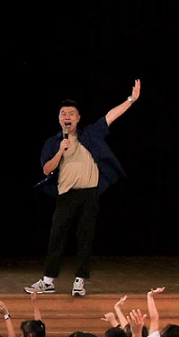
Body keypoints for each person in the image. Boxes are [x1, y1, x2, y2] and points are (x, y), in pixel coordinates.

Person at [26, 80, 140, 297]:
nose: (67, 116)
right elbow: (46, 169)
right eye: (63, 113)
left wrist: (130, 100)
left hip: (89, 193)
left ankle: (79, 281)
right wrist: (60, 151)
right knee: (56, 237)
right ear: (59, 118)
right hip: (66, 195)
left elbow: (111, 116)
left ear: (78, 118)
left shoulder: (91, 134)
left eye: (71, 113)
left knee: (85, 237)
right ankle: (48, 281)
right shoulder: (53, 142)